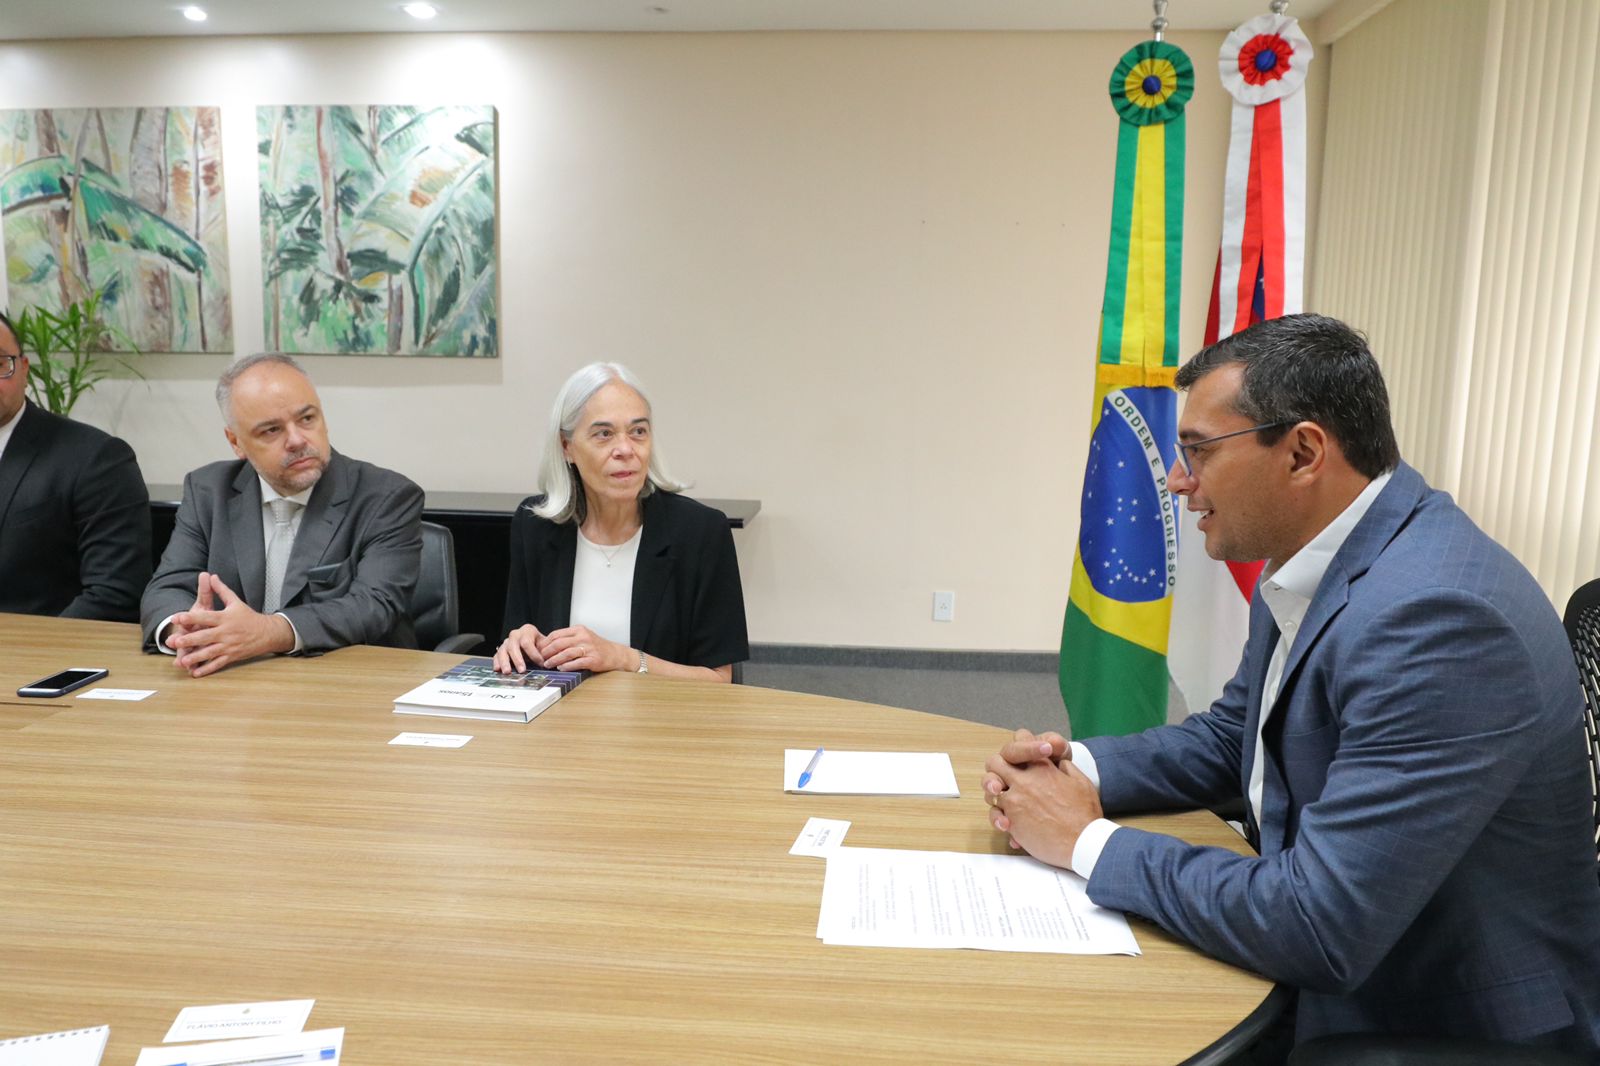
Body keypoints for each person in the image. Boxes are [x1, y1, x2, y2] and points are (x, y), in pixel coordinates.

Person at [985, 314, 1600, 1056]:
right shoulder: (1325, 551)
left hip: (1435, 1021)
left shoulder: (1440, 619)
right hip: (1357, 950)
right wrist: (1071, 769)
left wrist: (1084, 840)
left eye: (1198, 452)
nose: (1178, 482)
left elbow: (1319, 925)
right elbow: (1232, 738)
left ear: (1304, 451)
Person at [140, 353, 423, 676]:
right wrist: (188, 633)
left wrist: (267, 633)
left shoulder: (385, 496)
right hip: (237, 683)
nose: (297, 440)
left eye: (307, 419)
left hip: (351, 684)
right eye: (272, 430)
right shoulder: (208, 491)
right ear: (236, 442)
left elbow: (374, 605)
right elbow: (166, 588)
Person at [494, 362, 748, 681]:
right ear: (566, 447)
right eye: (604, 434)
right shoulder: (535, 525)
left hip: (660, 721)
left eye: (638, 431)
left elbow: (719, 680)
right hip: (563, 722)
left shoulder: (701, 532)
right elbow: (518, 639)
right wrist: (520, 642)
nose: (625, 449)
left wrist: (623, 658)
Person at [0, 309, 151, 622]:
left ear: (24, 369)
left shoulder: (97, 459)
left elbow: (115, 593)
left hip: (38, 657)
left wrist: (31, 654)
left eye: (0, 364)